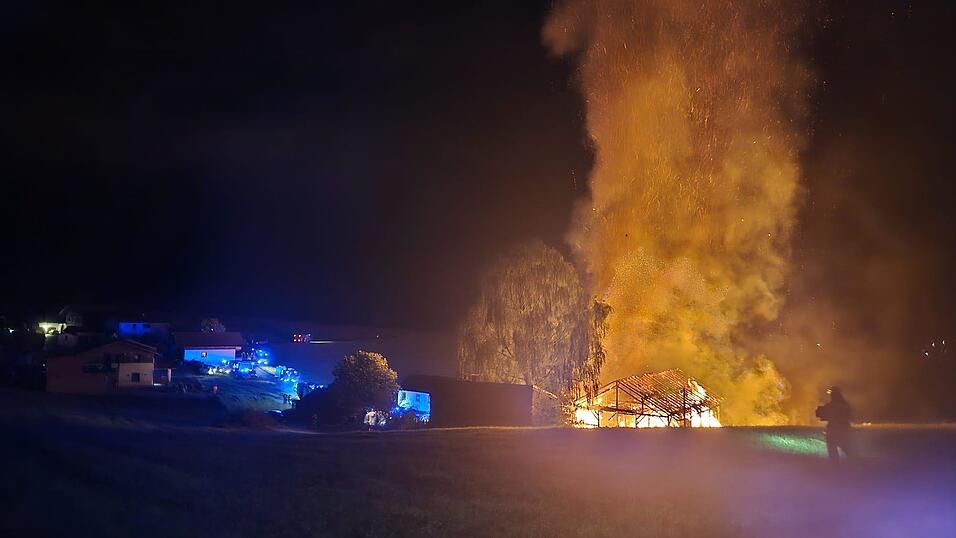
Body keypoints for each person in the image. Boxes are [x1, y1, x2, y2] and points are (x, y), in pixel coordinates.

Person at [815, 386, 852, 462]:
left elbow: (821, 414)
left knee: (833, 449)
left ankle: (837, 464)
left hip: (833, 430)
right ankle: (853, 462)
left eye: (831, 393)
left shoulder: (833, 405)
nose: (830, 395)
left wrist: (820, 411)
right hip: (844, 429)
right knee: (846, 448)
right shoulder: (844, 405)